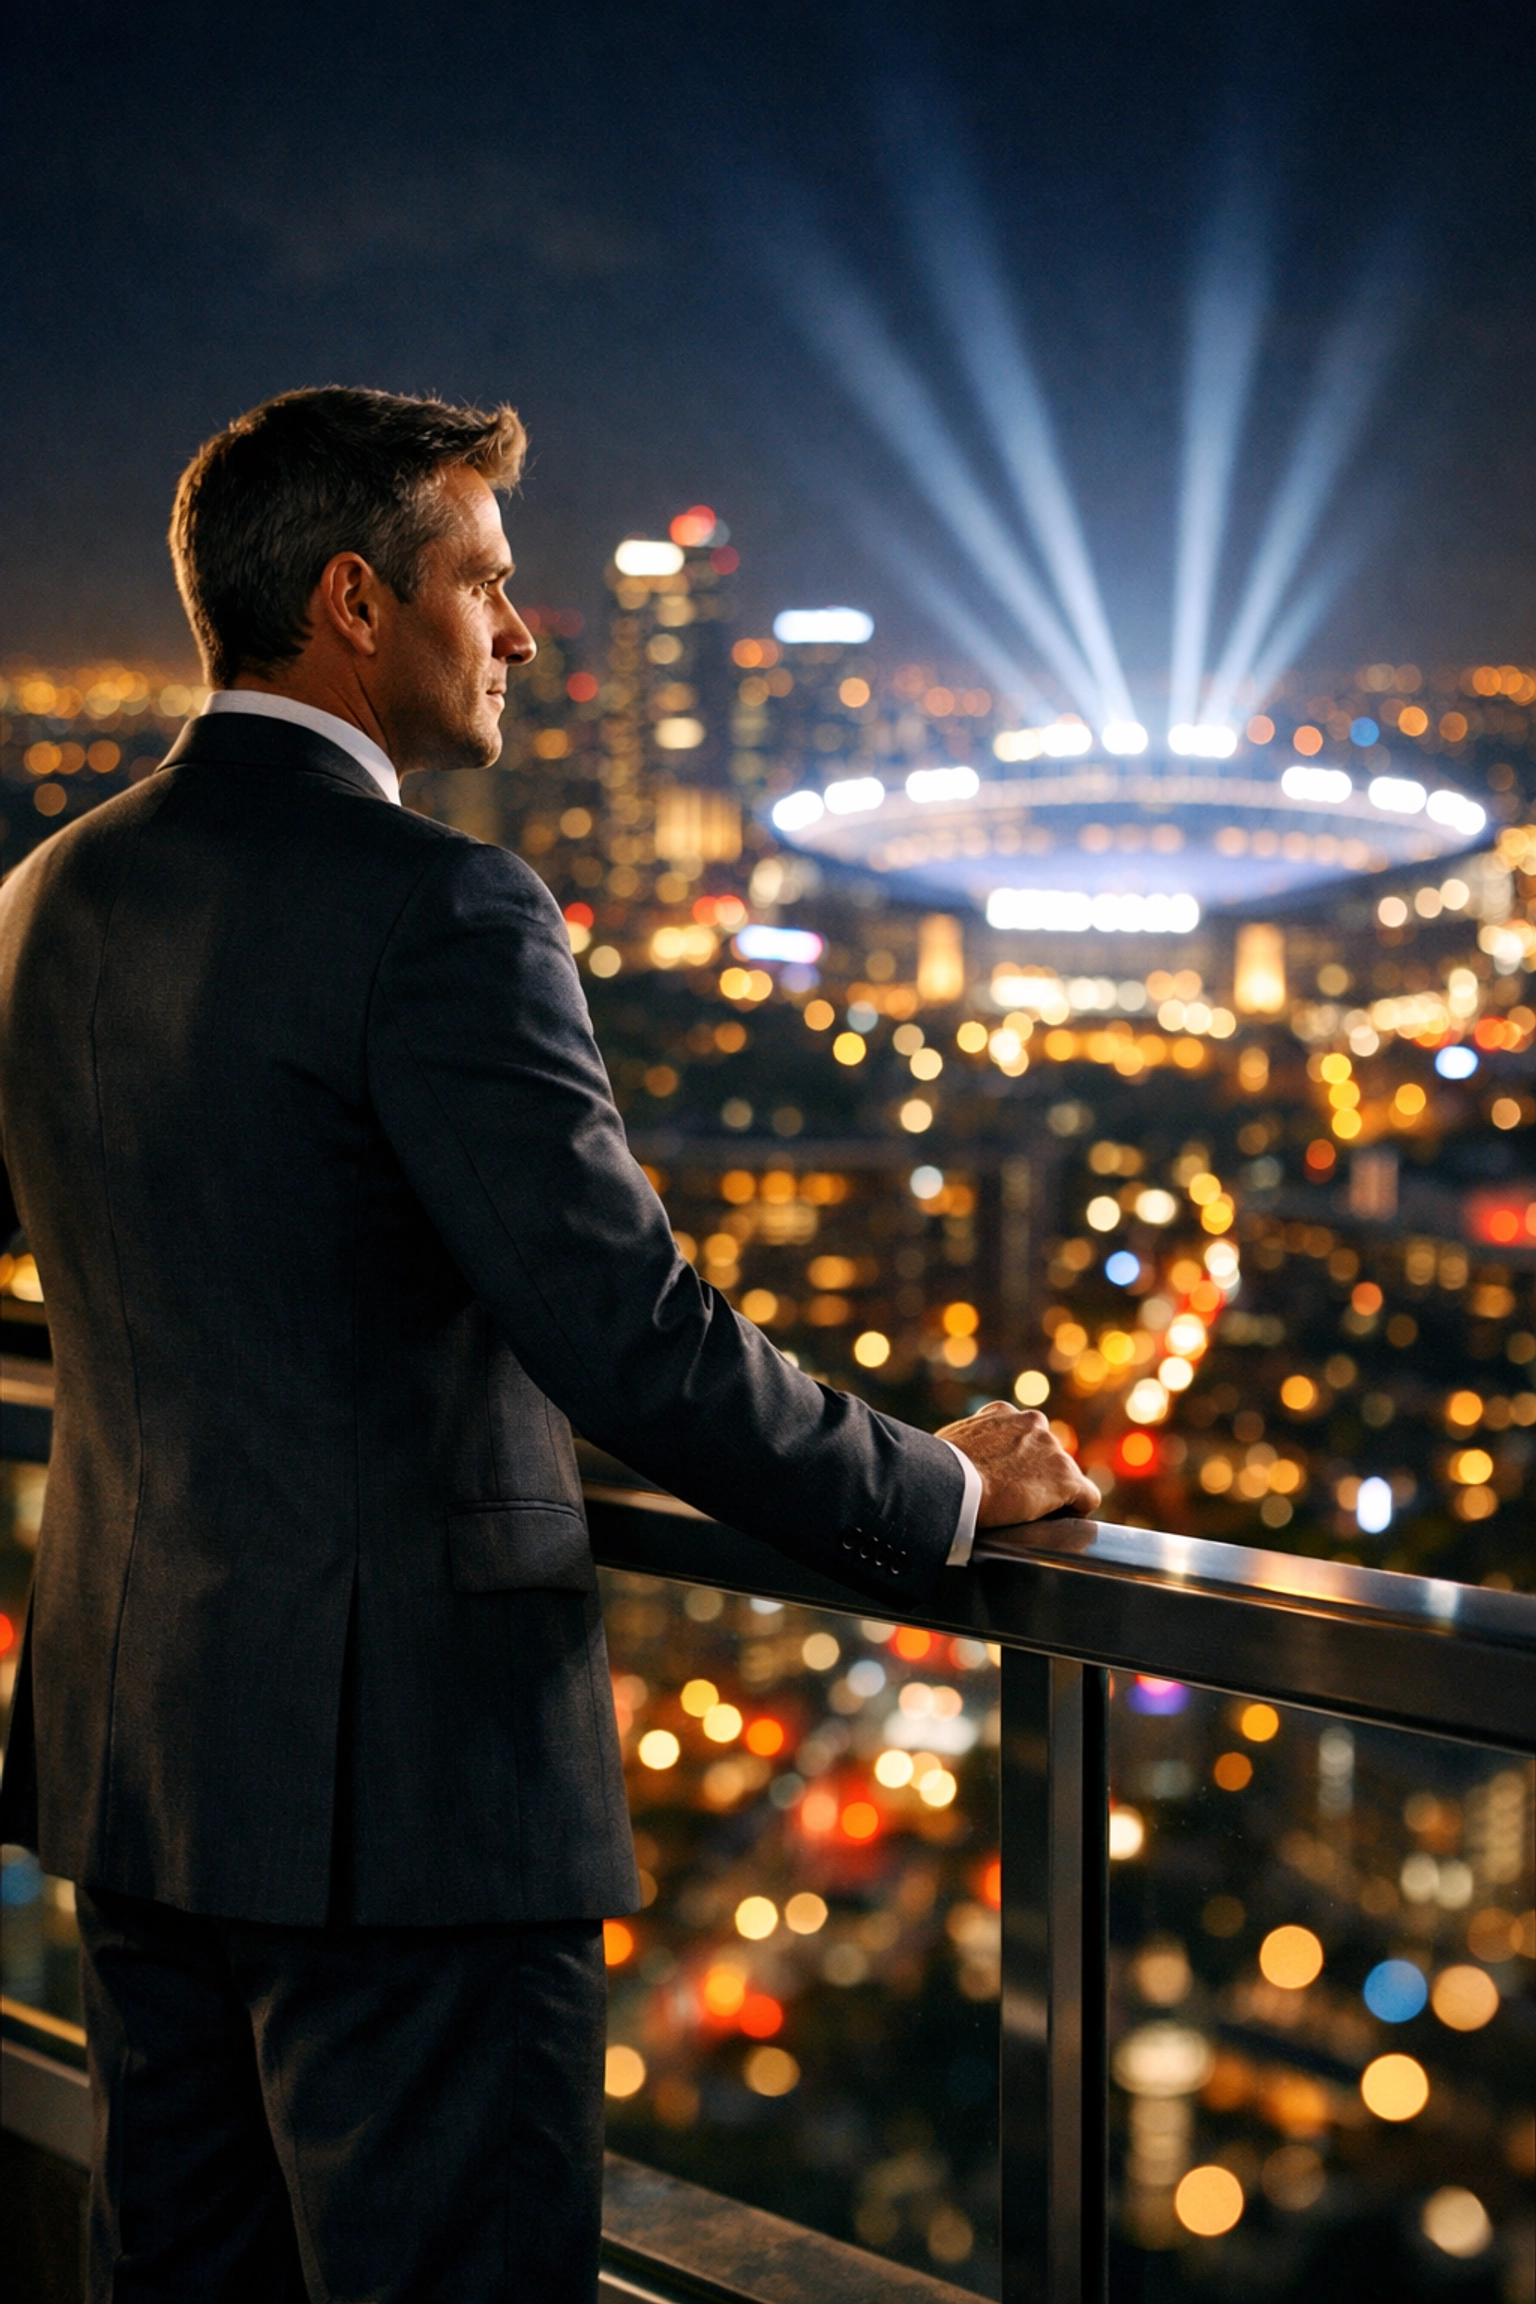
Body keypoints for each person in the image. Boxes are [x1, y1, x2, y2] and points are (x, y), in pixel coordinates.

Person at [0, 386, 1099, 2302]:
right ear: (355, 601)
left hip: (136, 1751)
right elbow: (634, 1337)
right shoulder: (437, 905)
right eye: (489, 585)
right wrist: (937, 1488)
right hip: (409, 1809)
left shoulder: (48, 893)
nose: (523, 635)